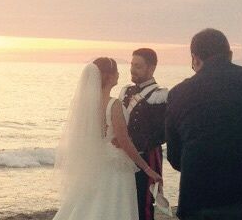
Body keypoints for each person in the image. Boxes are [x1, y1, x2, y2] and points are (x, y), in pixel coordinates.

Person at [166, 28, 242, 219]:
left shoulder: (178, 94)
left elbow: (175, 157)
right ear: (230, 55)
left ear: (194, 58)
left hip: (203, 200)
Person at [52, 57, 162, 220]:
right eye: (116, 71)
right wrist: (147, 169)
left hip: (96, 163)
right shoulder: (114, 104)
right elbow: (124, 141)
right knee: (114, 206)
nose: (119, 74)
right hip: (116, 165)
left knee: (91, 204)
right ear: (109, 76)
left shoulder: (87, 104)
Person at [118, 48, 168, 220]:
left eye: (138, 66)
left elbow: (163, 133)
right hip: (124, 156)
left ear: (151, 68)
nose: (132, 69)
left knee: (144, 203)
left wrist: (138, 144)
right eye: (132, 64)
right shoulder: (125, 91)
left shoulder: (160, 96)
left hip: (147, 155)